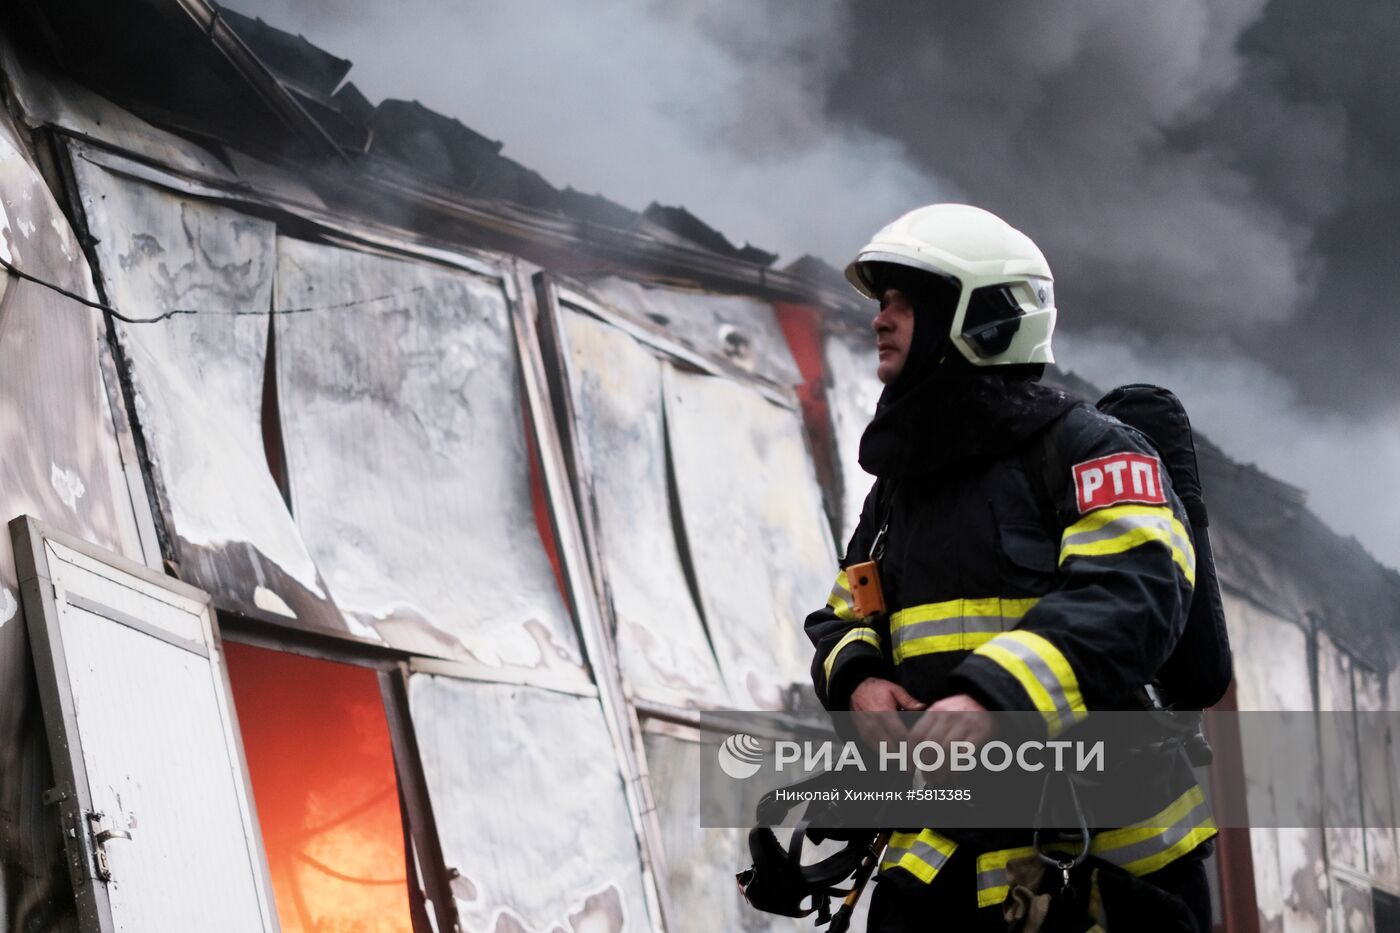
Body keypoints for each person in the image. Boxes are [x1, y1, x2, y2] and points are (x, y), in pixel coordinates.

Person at [805, 204, 1215, 931]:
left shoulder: (1092, 450)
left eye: (904, 301)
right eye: (883, 302)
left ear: (981, 316)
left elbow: (1131, 593)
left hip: (1097, 877)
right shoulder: (901, 488)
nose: (880, 319)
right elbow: (846, 608)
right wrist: (858, 678)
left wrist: (993, 694)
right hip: (939, 873)